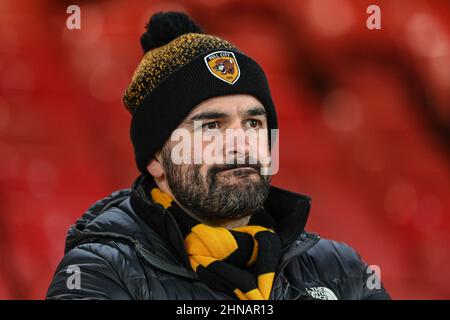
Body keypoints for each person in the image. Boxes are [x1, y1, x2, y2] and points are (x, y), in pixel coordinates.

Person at [46, 11, 390, 300]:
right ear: (156, 159)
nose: (241, 143)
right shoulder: (98, 272)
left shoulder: (339, 270)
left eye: (254, 122)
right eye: (211, 126)